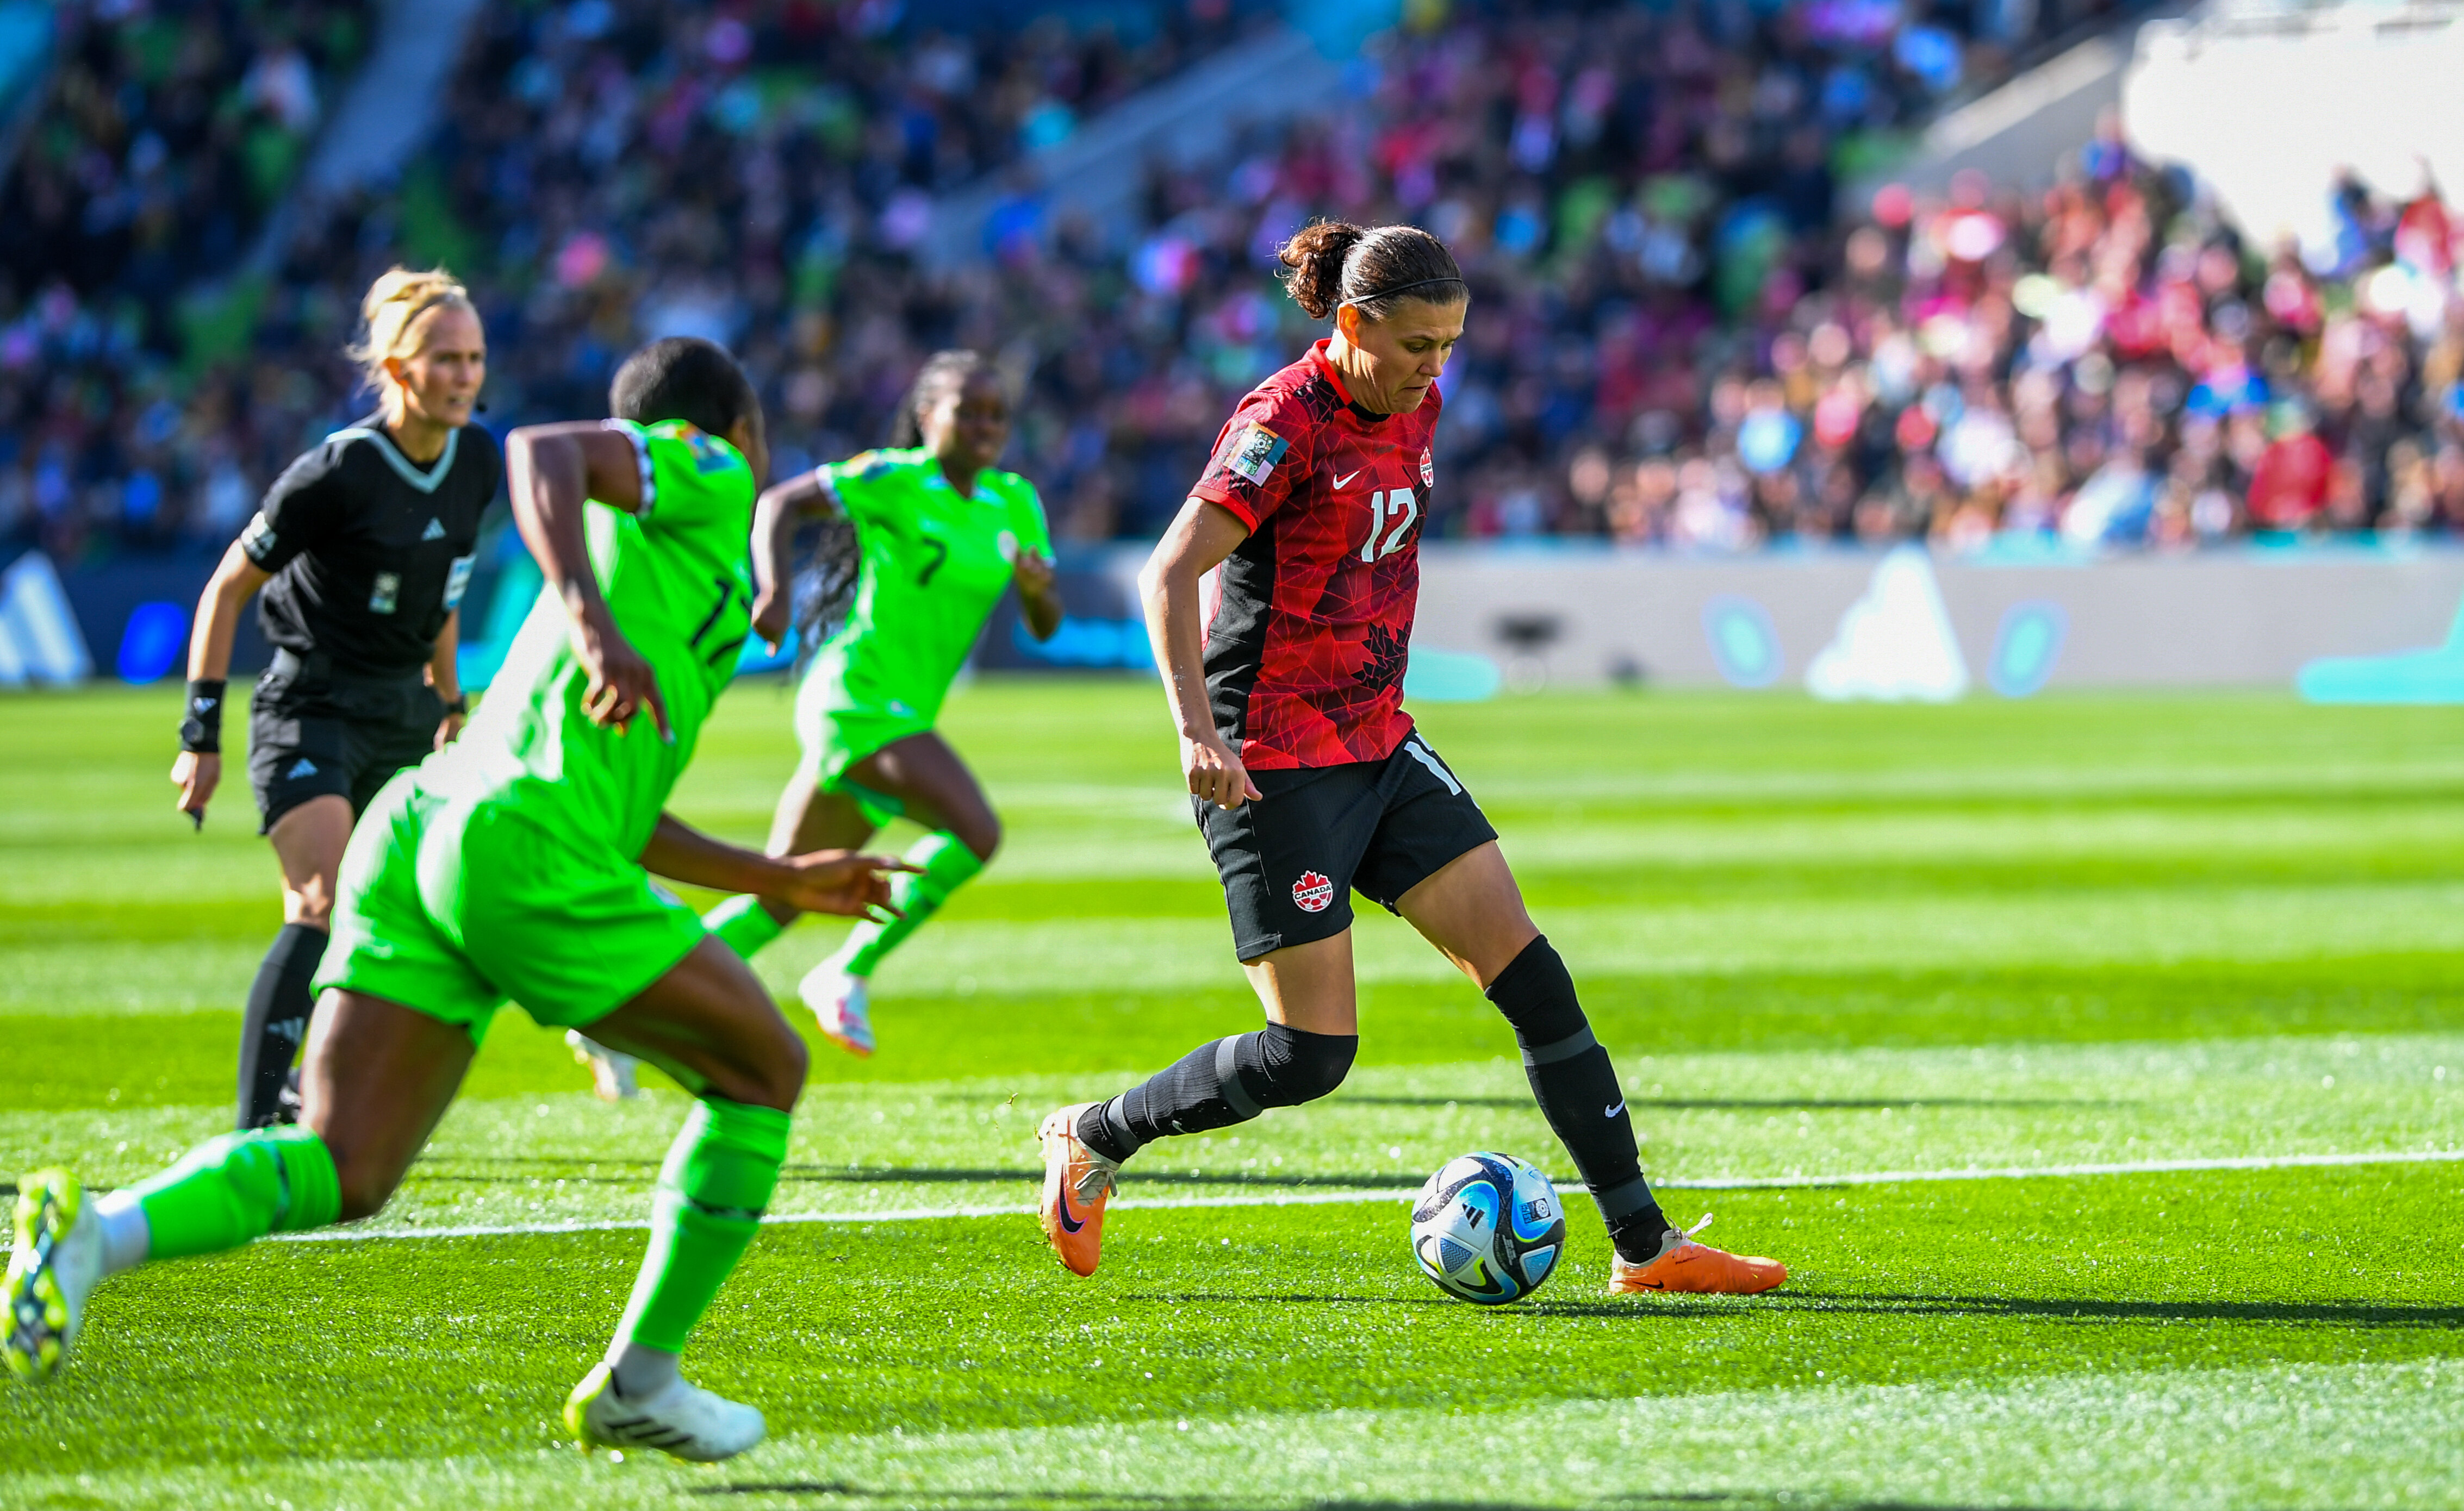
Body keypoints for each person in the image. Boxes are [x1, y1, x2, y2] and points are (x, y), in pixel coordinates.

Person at [8, 338, 910, 1462]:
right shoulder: (705, 469)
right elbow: (542, 448)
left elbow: (626, 810)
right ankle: (642, 1375)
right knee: (765, 1070)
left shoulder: (669, 564)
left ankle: (95, 1231)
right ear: (740, 425)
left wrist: (778, 877)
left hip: (424, 827)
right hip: (518, 847)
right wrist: (588, 617)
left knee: (346, 1164)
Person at [1032, 223, 1787, 1297]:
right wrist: (1199, 730)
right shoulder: (1278, 423)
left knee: (1533, 977)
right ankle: (1093, 1136)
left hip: (1380, 740)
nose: (1436, 368)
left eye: (1450, 344)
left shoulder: (1413, 403)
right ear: (1353, 324)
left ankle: (1645, 1244)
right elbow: (1167, 572)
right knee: (1310, 1055)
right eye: (1418, 344)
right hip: (1273, 764)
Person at [172, 267, 501, 1132]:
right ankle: (254, 1131)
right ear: (398, 369)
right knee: (321, 902)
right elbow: (224, 590)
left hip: (403, 712)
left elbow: (447, 586)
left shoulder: (479, 457)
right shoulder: (339, 469)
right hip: (309, 706)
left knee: (396, 915)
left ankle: (320, 1093)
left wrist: (451, 698)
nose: (466, 376)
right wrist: (198, 734)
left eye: (474, 357)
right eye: (445, 358)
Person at [681, 349, 1061, 1061]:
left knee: (783, 890)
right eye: (966, 411)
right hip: (854, 698)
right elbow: (780, 503)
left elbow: (1047, 623)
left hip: (902, 711)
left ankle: (631, 990)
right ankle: (847, 969)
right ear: (927, 417)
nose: (985, 425)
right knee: (976, 829)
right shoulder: (894, 476)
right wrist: (777, 593)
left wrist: (1039, 590)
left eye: (996, 415)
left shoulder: (1016, 499)